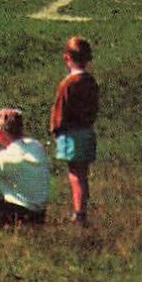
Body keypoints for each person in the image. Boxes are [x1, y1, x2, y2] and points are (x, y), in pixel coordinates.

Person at [51, 35, 100, 226]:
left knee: (75, 175)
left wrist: (55, 129)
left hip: (71, 134)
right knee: (83, 174)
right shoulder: (91, 82)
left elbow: (59, 109)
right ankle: (82, 210)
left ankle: (79, 213)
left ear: (67, 58)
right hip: (87, 131)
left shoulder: (68, 84)